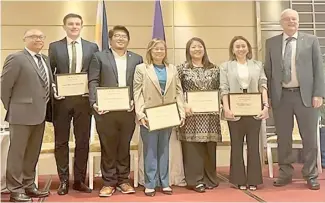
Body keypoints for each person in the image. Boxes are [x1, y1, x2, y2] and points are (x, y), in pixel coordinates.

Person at [264, 9, 324, 190]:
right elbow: (268, 71)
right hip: (281, 96)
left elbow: (319, 69)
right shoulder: (271, 43)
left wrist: (318, 94)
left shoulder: (311, 40)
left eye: (294, 19)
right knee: (283, 137)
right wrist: (267, 98)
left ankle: (311, 174)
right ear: (281, 22)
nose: (292, 22)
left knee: (310, 138)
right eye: (288, 19)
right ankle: (285, 172)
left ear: (298, 21)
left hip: (305, 96)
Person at [88, 25, 143, 197]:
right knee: (108, 146)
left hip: (128, 110)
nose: (120, 39)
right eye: (117, 36)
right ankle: (109, 182)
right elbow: (93, 81)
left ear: (128, 39)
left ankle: (123, 180)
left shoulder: (137, 58)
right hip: (106, 111)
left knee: (124, 146)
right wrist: (95, 102)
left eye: (124, 36)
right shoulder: (99, 57)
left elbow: (139, 84)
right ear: (110, 39)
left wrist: (136, 101)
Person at [48, 13, 99, 195]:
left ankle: (79, 180)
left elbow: (94, 73)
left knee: (82, 141)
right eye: (70, 24)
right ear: (64, 26)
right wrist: (54, 88)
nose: (74, 27)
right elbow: (50, 72)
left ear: (82, 26)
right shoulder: (54, 47)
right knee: (61, 142)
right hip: (61, 101)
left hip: (83, 101)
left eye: (77, 24)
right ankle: (63, 181)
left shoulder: (92, 47)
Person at [1, 29, 53, 202]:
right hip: (20, 115)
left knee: (32, 153)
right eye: (34, 36)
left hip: (40, 115)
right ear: (24, 39)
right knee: (17, 154)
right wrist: (13, 107)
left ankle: (29, 186)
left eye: (41, 36)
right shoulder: (16, 58)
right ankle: (15, 190)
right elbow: (4, 86)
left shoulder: (45, 59)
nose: (38, 39)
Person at [133, 38, 185, 196]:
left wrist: (181, 112)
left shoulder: (173, 69)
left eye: (162, 49)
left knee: (164, 149)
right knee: (150, 150)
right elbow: (137, 92)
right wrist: (140, 113)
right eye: (156, 49)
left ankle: (164, 181)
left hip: (168, 115)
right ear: (150, 51)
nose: (159, 52)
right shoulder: (141, 68)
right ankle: (150, 182)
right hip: (149, 115)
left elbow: (178, 92)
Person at [220, 36, 269, 191]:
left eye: (243, 46)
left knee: (254, 145)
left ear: (248, 48)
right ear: (232, 50)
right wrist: (226, 108)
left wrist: (265, 106)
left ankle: (254, 179)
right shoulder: (226, 66)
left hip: (254, 110)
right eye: (237, 46)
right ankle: (238, 179)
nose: (241, 49)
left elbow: (263, 85)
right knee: (236, 145)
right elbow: (224, 88)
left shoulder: (257, 65)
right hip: (234, 111)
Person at [177, 37, 221, 193]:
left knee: (209, 147)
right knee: (193, 149)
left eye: (200, 46)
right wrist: (183, 104)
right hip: (191, 116)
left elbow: (220, 90)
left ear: (204, 49)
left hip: (210, 115)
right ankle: (195, 180)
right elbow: (177, 91)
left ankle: (210, 178)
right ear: (188, 50)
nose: (197, 49)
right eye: (193, 47)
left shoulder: (215, 68)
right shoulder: (181, 69)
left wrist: (219, 102)